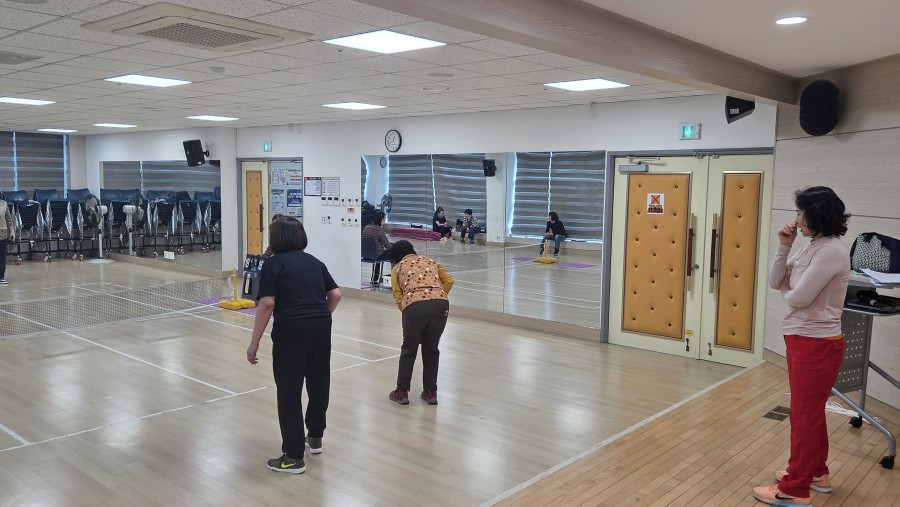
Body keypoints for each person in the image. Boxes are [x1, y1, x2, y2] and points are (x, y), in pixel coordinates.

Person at [752, 186, 850, 506]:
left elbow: (798, 298)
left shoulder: (830, 251)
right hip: (804, 339)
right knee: (810, 413)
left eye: (800, 213)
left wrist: (789, 293)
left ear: (816, 214)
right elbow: (776, 281)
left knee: (804, 417)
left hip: (816, 343)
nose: (796, 219)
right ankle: (816, 472)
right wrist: (784, 246)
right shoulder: (812, 245)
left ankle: (794, 489)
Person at [246, 216, 342, 475]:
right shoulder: (315, 262)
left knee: (289, 390)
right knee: (318, 382)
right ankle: (315, 437)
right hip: (321, 326)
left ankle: (293, 457)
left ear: (275, 239)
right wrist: (320, 316)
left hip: (291, 330)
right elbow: (335, 295)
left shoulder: (272, 264)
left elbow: (267, 303)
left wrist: (254, 342)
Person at [387, 240, 453, 406]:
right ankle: (431, 392)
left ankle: (401, 392)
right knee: (432, 348)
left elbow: (397, 295)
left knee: (409, 349)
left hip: (414, 307)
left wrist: (408, 311)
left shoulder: (397, 268)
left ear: (396, 258)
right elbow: (449, 281)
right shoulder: (431, 261)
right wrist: (437, 295)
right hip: (441, 305)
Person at [0, 194, 10, 284]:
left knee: (2, 256)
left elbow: (8, 219)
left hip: (2, 233)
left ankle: (1, 276)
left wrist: (12, 232)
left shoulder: (4, 204)